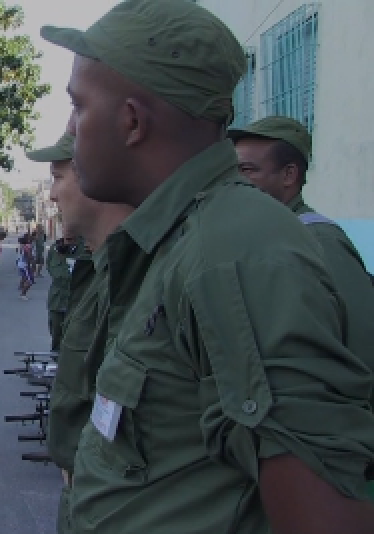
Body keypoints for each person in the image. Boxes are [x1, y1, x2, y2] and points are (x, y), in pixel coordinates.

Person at [45, 1, 374, 532]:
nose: (71, 129)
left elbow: (323, 517)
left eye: (78, 106)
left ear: (131, 121)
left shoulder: (231, 251)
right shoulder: (171, 242)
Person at [27, 132, 133, 532]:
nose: (53, 195)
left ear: (97, 175)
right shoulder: (102, 269)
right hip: (86, 491)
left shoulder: (134, 275)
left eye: (59, 177)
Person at [228, 116, 374, 393]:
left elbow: (363, 343)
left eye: (247, 170)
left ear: (289, 175)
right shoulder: (265, 235)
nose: (234, 181)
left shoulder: (319, 240)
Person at [44, 235, 72, 352]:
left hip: (77, 298)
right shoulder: (54, 248)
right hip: (57, 299)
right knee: (55, 329)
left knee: (73, 333)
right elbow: (49, 266)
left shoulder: (85, 248)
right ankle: (56, 355)